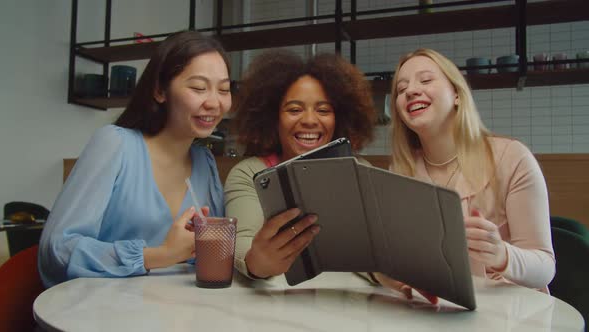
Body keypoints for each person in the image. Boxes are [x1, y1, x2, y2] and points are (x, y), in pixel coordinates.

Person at [38, 31, 231, 287]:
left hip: (174, 315)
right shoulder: (115, 144)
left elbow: (208, 256)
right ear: (160, 91)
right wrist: (157, 256)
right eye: (198, 88)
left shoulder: (205, 162)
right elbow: (57, 249)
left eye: (225, 89)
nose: (215, 102)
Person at [375, 48, 555, 296]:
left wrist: (501, 255)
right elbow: (389, 262)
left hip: (511, 317)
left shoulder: (512, 158)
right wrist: (395, 276)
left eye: (426, 80)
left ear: (457, 94)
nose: (411, 91)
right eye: (401, 89)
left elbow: (545, 268)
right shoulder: (400, 171)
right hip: (436, 314)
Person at [224, 49, 377, 279]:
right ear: (273, 118)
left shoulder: (359, 171)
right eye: (294, 110)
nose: (308, 120)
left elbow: (377, 249)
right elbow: (242, 241)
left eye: (323, 110)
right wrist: (256, 262)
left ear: (339, 118)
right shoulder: (250, 173)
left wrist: (385, 274)